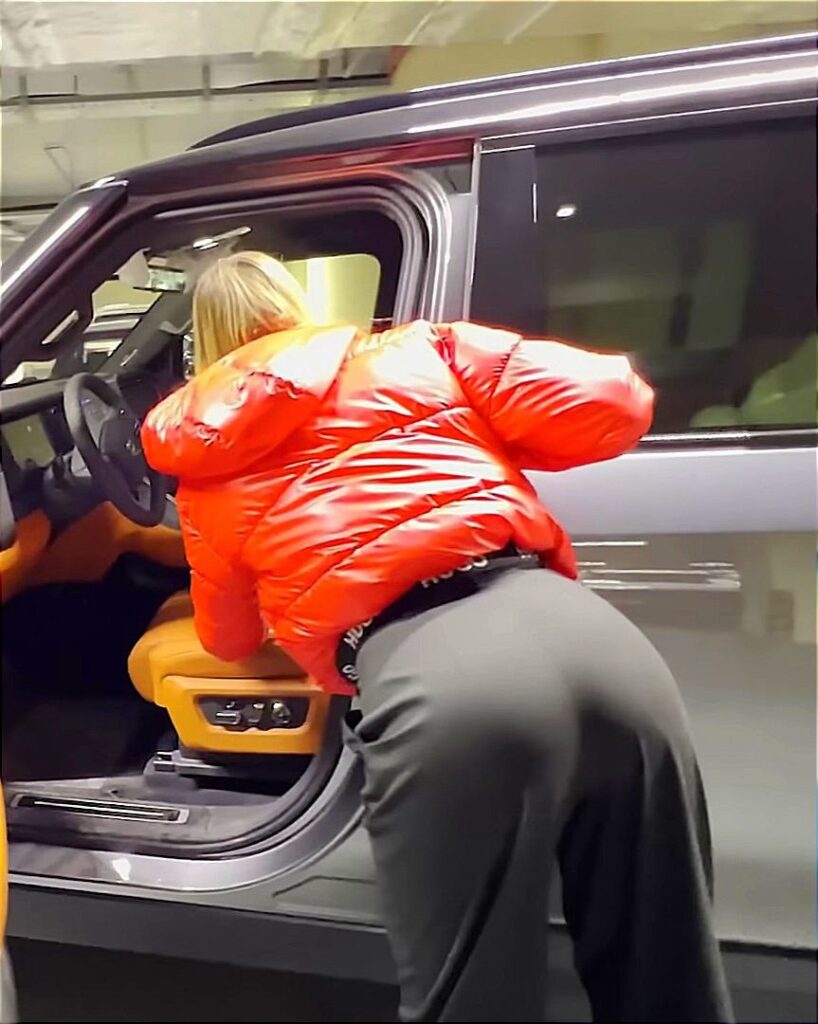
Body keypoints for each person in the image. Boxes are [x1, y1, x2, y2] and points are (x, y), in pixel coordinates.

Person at [142, 250, 733, 1023]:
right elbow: (616, 403)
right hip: (601, 644)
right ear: (295, 303)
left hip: (446, 686)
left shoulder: (208, 457)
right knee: (670, 986)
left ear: (207, 338)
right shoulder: (419, 350)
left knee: (472, 1001)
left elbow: (226, 637)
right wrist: (482, 421)